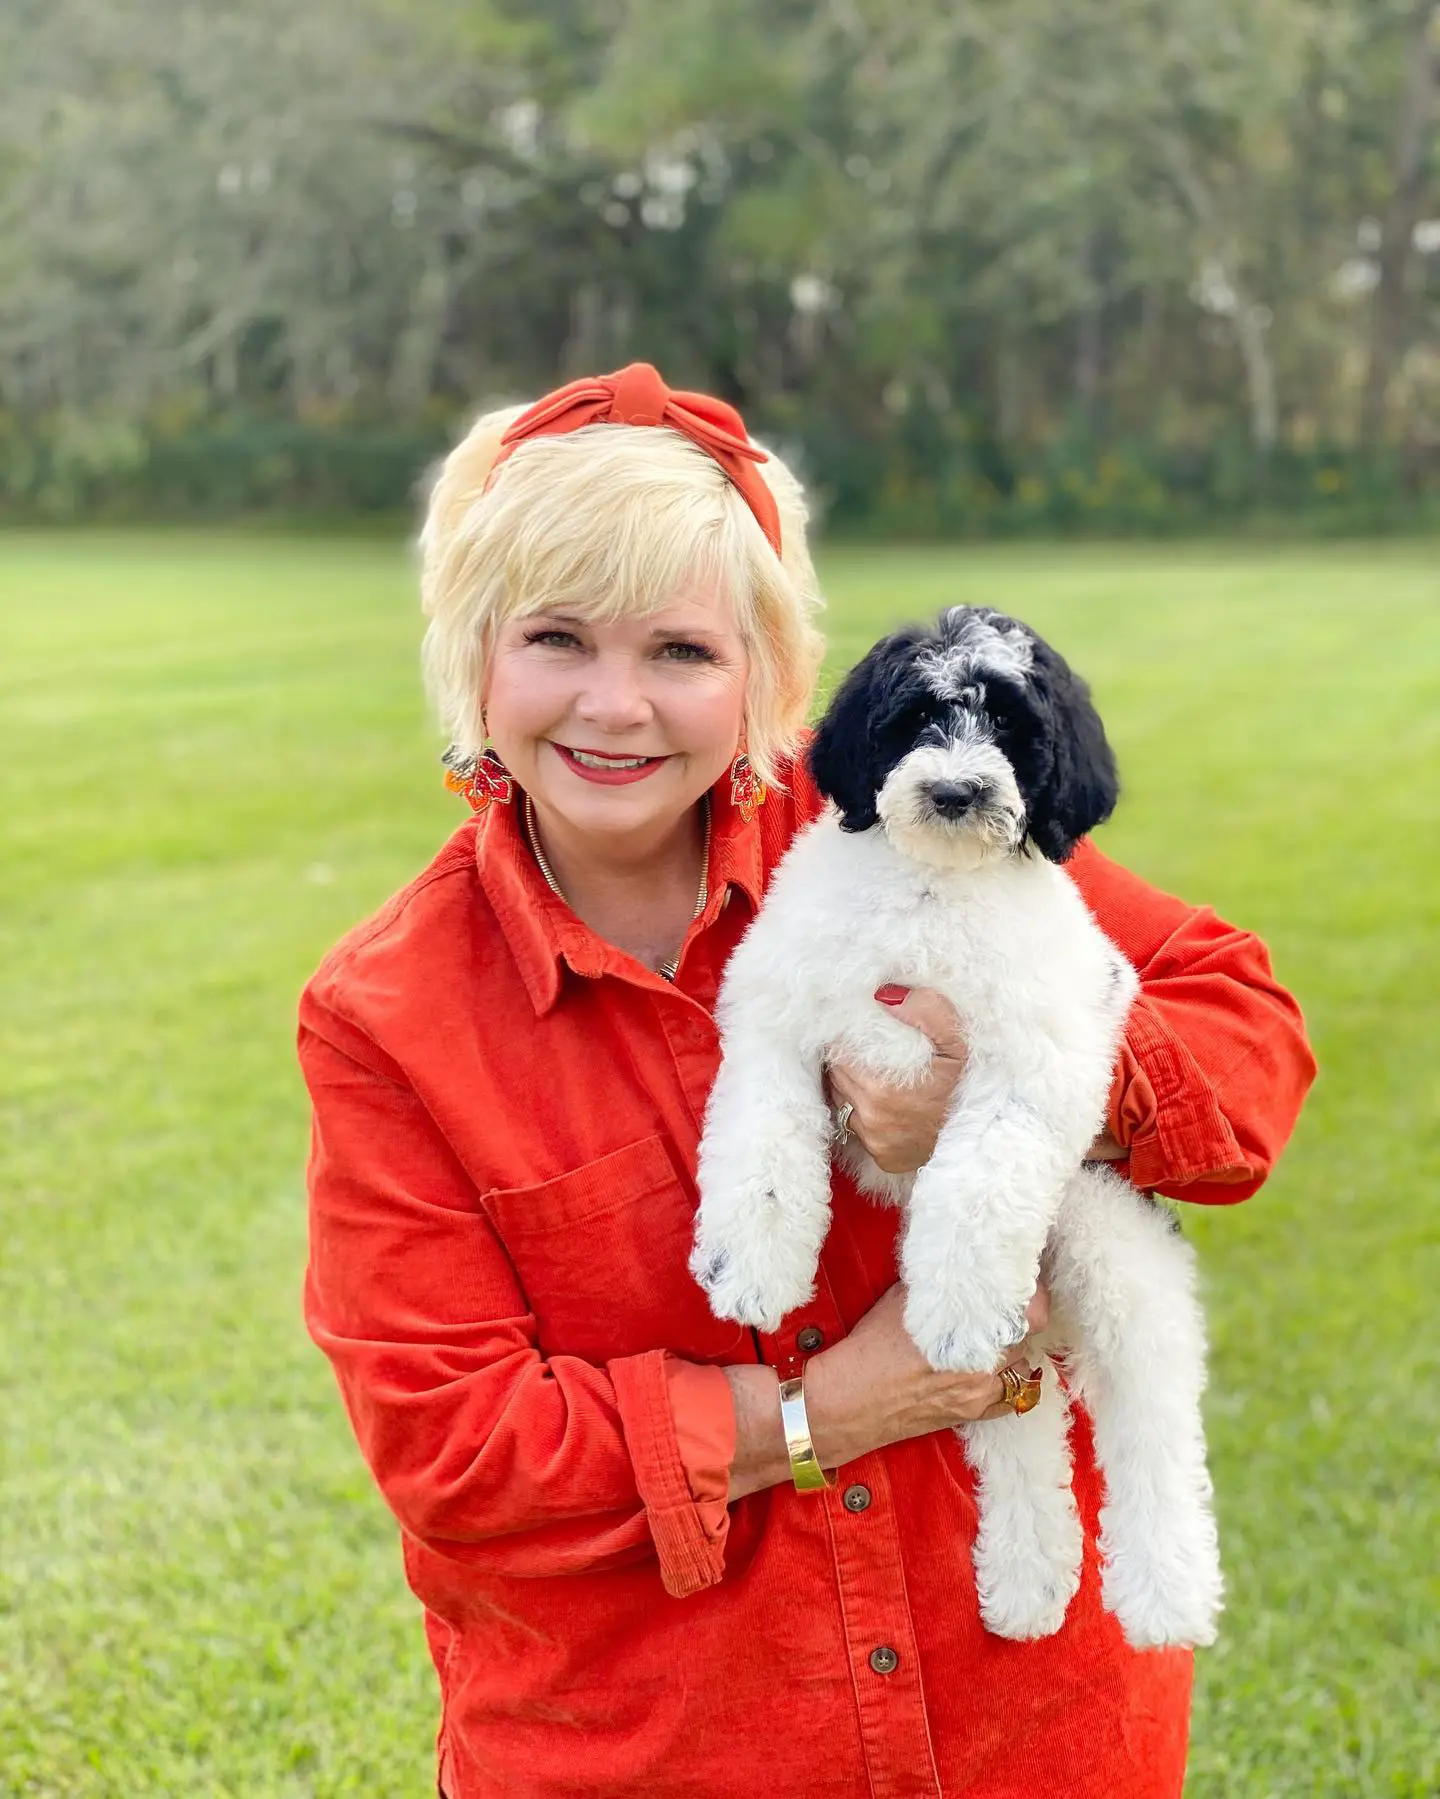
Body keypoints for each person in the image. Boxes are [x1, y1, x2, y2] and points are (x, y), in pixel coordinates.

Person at [298, 363, 1315, 1799]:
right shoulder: (386, 1015)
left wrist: (1012, 1085)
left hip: (1028, 1720)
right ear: (473, 657)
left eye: (680, 652)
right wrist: (831, 1404)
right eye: (556, 638)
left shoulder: (922, 821)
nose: (616, 705)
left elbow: (1244, 1033)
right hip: (666, 1745)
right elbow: (464, 1457)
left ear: (765, 673)